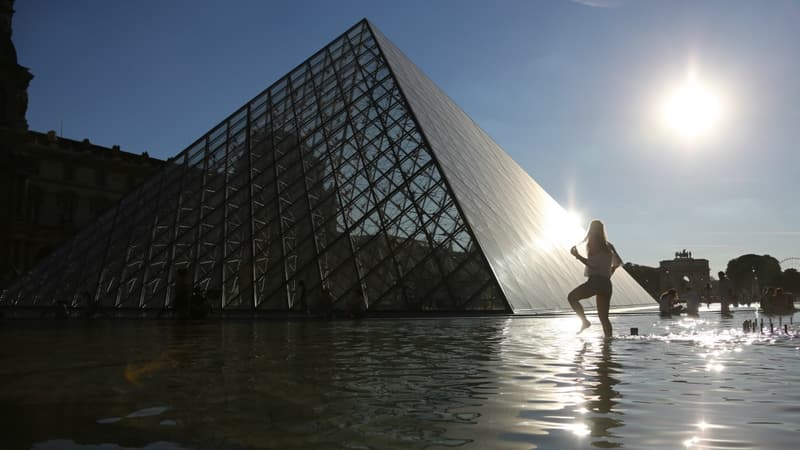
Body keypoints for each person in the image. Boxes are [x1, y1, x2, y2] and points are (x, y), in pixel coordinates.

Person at [567, 219, 622, 338]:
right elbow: (618, 263)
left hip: (595, 282)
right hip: (607, 284)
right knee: (604, 318)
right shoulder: (609, 246)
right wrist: (609, 273)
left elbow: (592, 264)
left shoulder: (593, 245)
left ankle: (584, 321)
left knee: (572, 297)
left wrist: (577, 256)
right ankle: (608, 344)